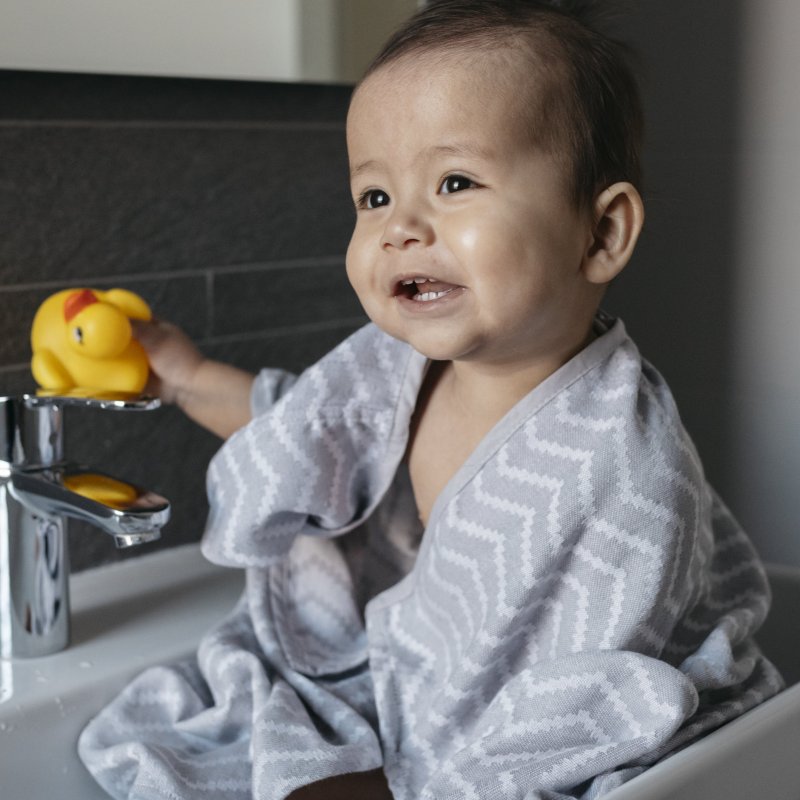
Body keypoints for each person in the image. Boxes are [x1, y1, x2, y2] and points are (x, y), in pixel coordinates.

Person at [78, 2, 783, 799]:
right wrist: (183, 376)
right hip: (400, 694)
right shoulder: (398, 363)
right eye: (374, 197)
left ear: (601, 234)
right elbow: (304, 432)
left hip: (530, 745)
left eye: (455, 182)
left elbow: (587, 702)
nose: (400, 227)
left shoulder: (627, 473)